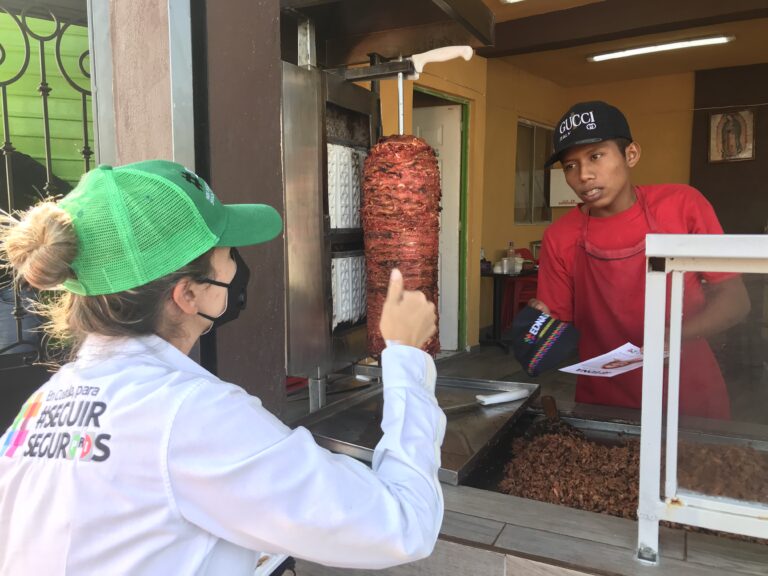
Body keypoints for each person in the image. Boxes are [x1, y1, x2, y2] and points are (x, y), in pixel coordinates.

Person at [0, 160, 446, 575]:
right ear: (189, 294)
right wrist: (406, 354)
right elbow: (403, 524)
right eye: (229, 252)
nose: (238, 268)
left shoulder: (41, 407)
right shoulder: (190, 416)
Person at [531, 101, 750, 419]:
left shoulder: (682, 205)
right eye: (570, 166)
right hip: (604, 397)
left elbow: (736, 301)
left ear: (630, 154)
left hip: (687, 389)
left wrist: (671, 336)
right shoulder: (560, 237)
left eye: (595, 156)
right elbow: (555, 328)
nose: (584, 175)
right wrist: (536, 325)